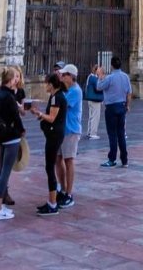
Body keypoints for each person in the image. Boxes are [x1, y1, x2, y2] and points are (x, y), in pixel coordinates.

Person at [28, 72, 68, 215]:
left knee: (49, 167)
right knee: (50, 166)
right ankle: (52, 200)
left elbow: (51, 118)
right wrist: (39, 114)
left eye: (46, 83)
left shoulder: (56, 97)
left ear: (51, 84)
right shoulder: (55, 96)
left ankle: (52, 203)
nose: (45, 85)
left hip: (54, 135)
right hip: (55, 134)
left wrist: (39, 114)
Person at [0, 67, 25, 221]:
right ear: (10, 79)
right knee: (5, 172)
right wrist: (22, 130)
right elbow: (16, 117)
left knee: (2, 169)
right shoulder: (9, 96)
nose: (17, 80)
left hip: (1, 135)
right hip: (11, 135)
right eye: (15, 77)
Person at [95, 56, 132, 167]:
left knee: (112, 134)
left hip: (111, 107)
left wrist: (100, 76)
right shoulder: (125, 77)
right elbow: (129, 93)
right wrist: (127, 105)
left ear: (111, 66)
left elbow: (99, 87)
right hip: (122, 106)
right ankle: (124, 160)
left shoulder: (110, 78)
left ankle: (112, 159)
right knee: (121, 134)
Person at [56, 64, 82, 207]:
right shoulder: (66, 90)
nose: (62, 76)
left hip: (71, 130)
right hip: (62, 129)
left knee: (68, 160)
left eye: (64, 74)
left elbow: (61, 106)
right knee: (58, 159)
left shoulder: (75, 91)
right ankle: (63, 188)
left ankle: (69, 193)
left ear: (71, 77)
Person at [83, 64, 104, 140]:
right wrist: (101, 78)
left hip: (91, 99)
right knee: (95, 116)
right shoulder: (94, 78)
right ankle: (93, 133)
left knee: (91, 116)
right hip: (95, 99)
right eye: (99, 69)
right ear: (96, 70)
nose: (100, 71)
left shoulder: (90, 77)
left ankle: (89, 132)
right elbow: (98, 87)